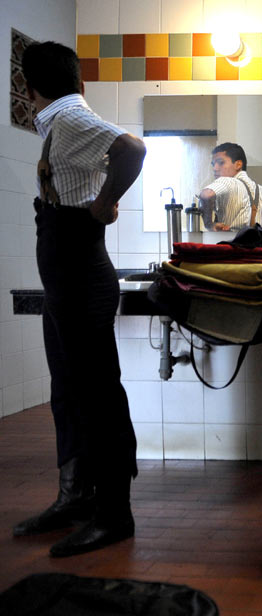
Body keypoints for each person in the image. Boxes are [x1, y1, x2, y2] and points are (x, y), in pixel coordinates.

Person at [14, 41, 145, 557]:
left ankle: (114, 514)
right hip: (64, 281)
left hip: (81, 277)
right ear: (80, 80)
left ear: (29, 89)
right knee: (67, 390)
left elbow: (131, 149)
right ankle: (76, 497)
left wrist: (105, 202)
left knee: (96, 394)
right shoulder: (59, 122)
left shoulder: (67, 118)